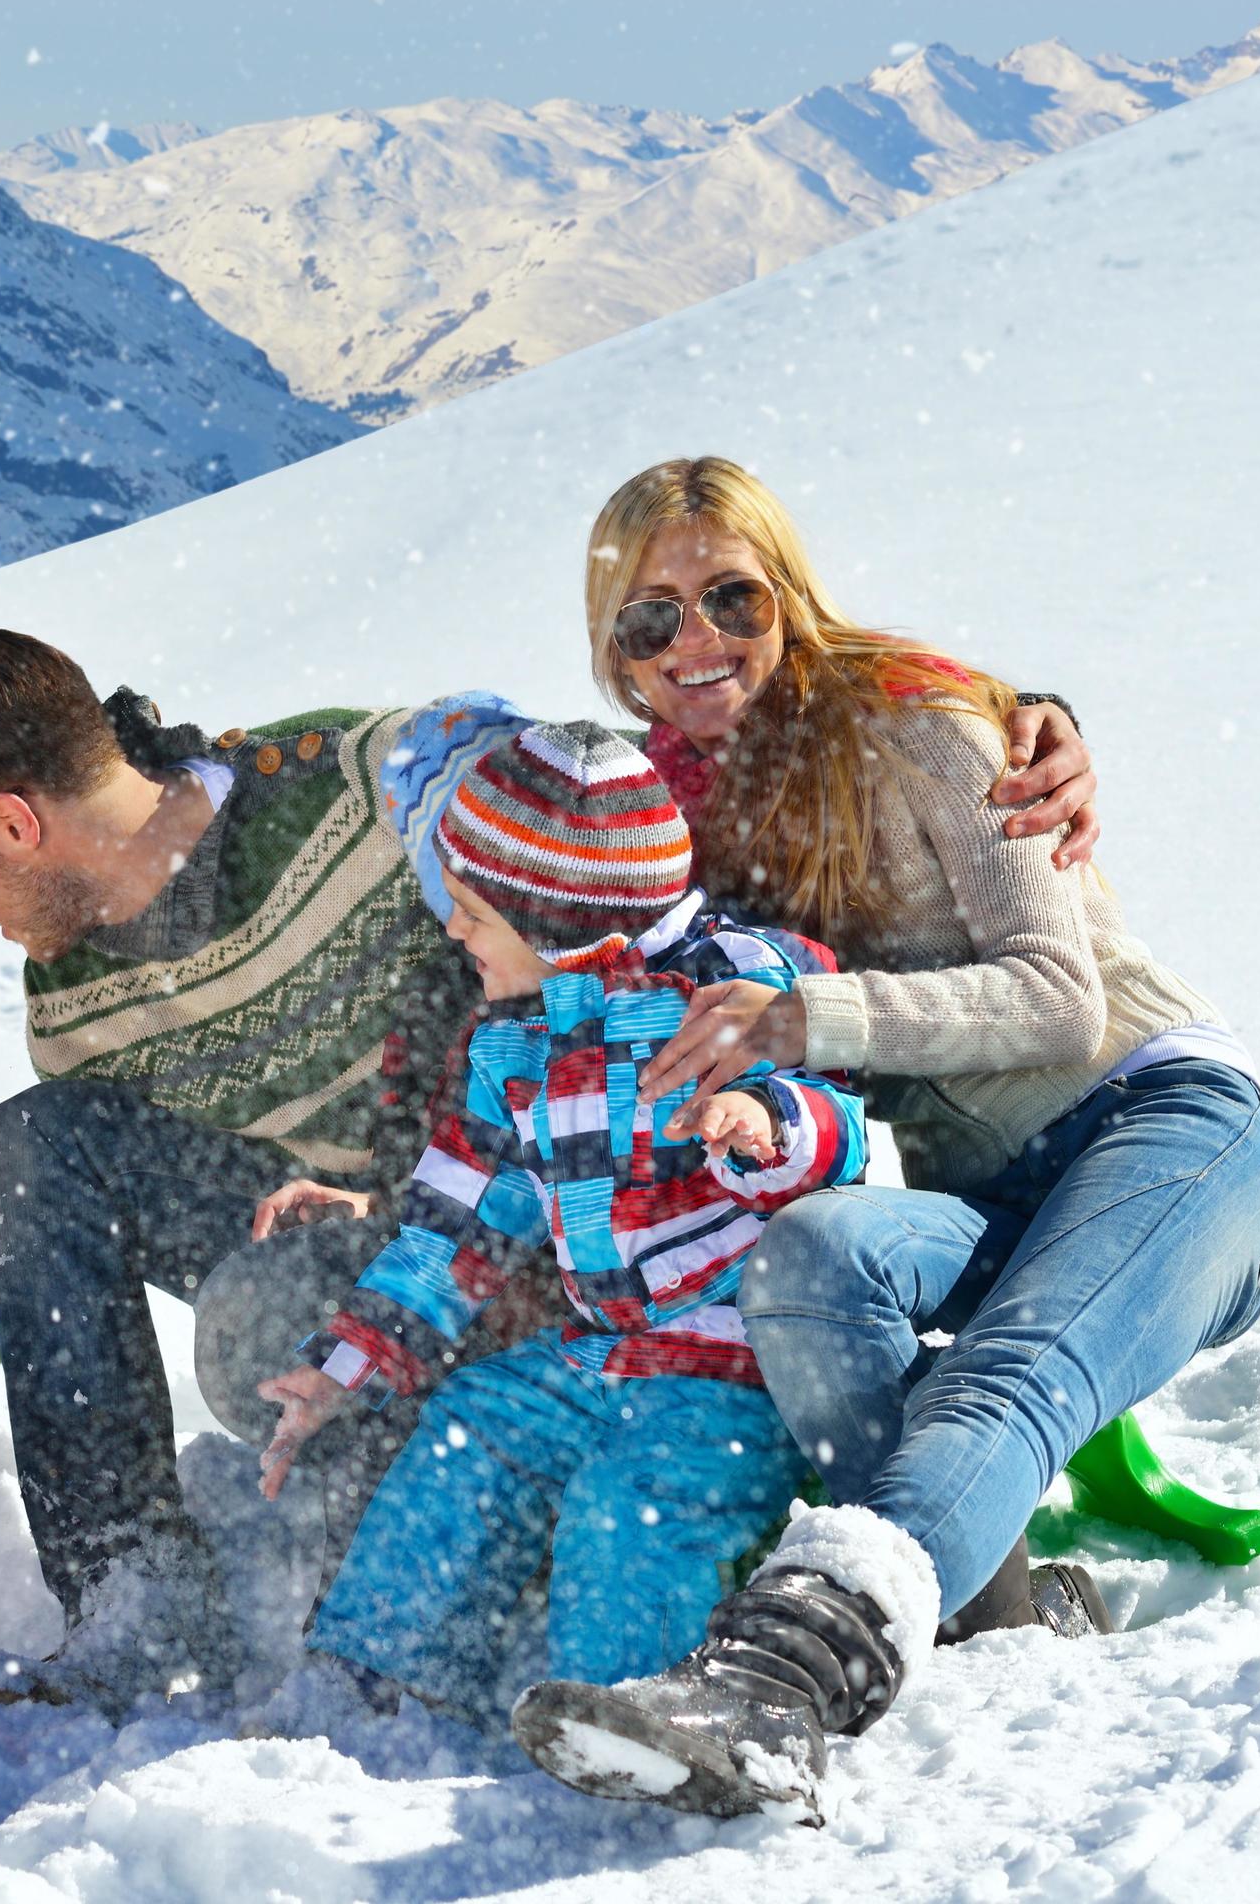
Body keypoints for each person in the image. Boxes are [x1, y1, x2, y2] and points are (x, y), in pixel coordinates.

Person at [0, 626, 1100, 1708]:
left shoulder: (363, 781)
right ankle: (147, 1611)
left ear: (10, 824)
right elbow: (35, 1222)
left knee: (298, 1321)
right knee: (57, 1160)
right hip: (427, 1237)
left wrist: (998, 723)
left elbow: (641, 767)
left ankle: (523, 1594)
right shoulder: (76, 1005)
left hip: (621, 1209)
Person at [512, 457, 1260, 1817]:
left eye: (731, 599)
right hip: (983, 1192)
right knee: (814, 1260)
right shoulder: (663, 818)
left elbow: (1059, 1005)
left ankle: (775, 1684)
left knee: (1012, 1370)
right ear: (612, 653)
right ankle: (1000, 1630)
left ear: (789, 597)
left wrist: (801, 1019)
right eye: (651, 618)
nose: (696, 642)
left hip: (1163, 1124)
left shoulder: (916, 724)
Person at [248, 702, 865, 1726]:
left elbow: (841, 1121)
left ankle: (634, 1714)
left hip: (741, 1371)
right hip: (604, 1355)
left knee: (627, 1509)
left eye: (474, 910)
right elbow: (451, 1233)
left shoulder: (729, 989)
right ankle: (373, 1675)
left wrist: (764, 1116)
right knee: (468, 1428)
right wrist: (344, 1367)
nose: (453, 928)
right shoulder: (519, 1051)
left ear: (553, 918)